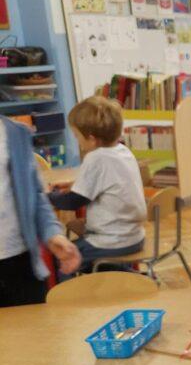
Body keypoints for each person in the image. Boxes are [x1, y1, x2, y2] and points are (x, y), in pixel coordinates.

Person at [48, 96, 146, 275]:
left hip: (111, 242)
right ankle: (123, 275)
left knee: (62, 257)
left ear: (91, 139)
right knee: (84, 246)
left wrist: (49, 196)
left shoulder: (96, 158)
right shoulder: (123, 150)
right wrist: (73, 187)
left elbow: (73, 202)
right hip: (135, 237)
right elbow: (107, 184)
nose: (77, 141)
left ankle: (73, 292)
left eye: (77, 136)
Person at [0, 118, 81, 306]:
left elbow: (35, 196)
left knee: (34, 323)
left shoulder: (15, 133)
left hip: (21, 263)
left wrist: (52, 234)